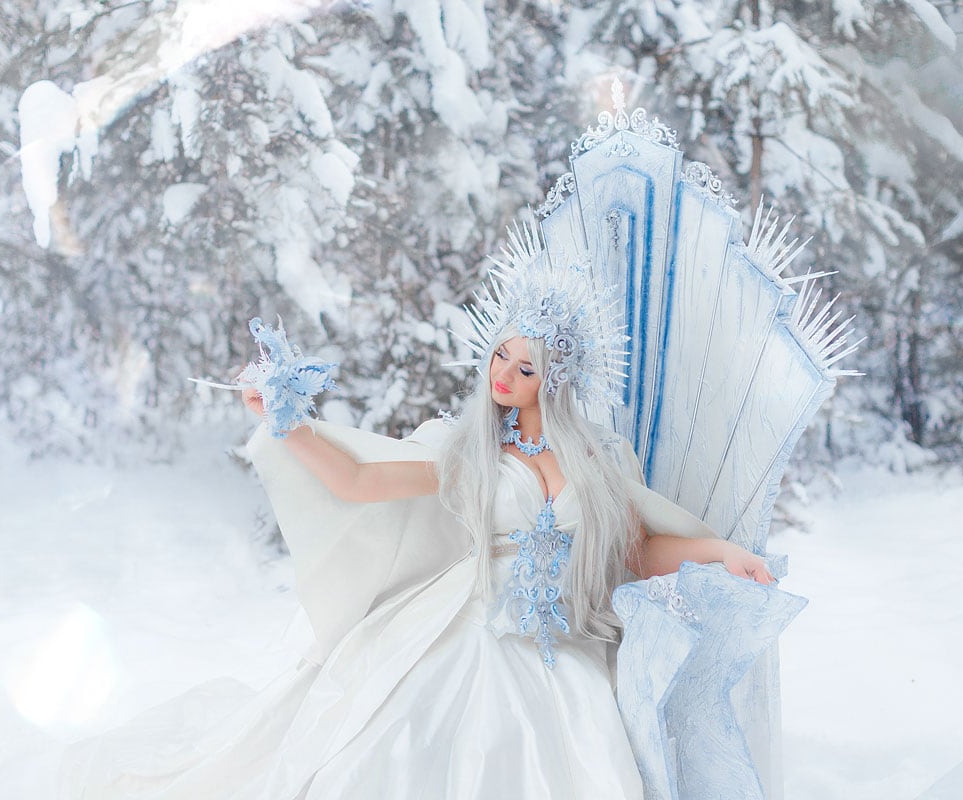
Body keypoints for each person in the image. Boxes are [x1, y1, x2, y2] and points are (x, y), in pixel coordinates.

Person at [61, 241, 773, 799]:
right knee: (406, 736)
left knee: (576, 751)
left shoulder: (597, 460)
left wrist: (716, 552)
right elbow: (364, 480)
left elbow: (637, 549)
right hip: (471, 618)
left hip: (560, 643)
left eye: (526, 368)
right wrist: (291, 426)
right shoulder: (471, 449)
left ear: (554, 381)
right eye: (501, 354)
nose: (503, 375)